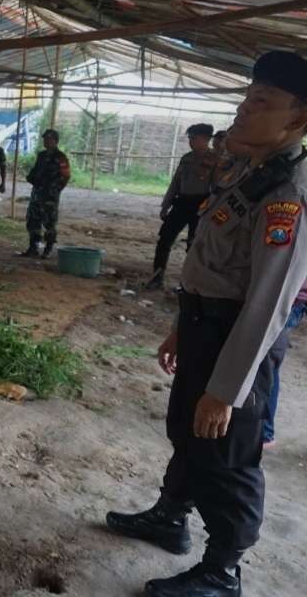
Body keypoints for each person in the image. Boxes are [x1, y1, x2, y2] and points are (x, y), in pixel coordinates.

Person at [105, 50, 307, 597]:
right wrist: (181, 326)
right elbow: (211, 264)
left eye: (260, 102)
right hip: (203, 326)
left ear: (296, 119)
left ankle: (223, 571)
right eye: (246, 98)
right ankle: (170, 518)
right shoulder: (250, 170)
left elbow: (268, 305)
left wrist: (226, 390)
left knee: (228, 457)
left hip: (235, 341)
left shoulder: (287, 193)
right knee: (188, 434)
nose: (243, 111)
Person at [144, 123, 218, 290]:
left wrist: (209, 211)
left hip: (202, 205)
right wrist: (166, 205)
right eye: (190, 138)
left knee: (194, 245)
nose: (191, 141)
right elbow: (175, 183)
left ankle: (189, 284)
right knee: (164, 239)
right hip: (182, 202)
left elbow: (218, 188)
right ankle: (157, 277)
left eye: (194, 138)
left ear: (206, 139)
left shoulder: (216, 160)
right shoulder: (187, 158)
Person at [262, 282, 307, 449]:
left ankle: (264, 433)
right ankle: (264, 432)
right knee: (268, 364)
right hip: (289, 298)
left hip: (288, 300)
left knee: (266, 365)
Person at [19, 129, 71, 258]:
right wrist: (31, 178)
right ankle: (33, 248)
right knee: (33, 221)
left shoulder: (60, 157)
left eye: (49, 139)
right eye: (45, 139)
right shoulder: (41, 155)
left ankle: (47, 250)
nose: (46, 141)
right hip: (37, 194)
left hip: (50, 196)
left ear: (55, 141)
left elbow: (66, 176)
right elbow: (35, 171)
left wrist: (55, 190)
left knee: (49, 223)